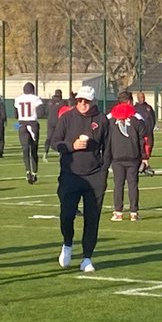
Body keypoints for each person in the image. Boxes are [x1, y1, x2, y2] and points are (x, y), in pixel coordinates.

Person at [49, 84, 108, 272]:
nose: (82, 103)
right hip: (70, 175)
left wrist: (103, 172)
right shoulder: (66, 118)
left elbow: (108, 148)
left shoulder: (101, 119)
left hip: (95, 176)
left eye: (86, 101)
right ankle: (67, 244)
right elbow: (54, 143)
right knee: (67, 215)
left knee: (92, 218)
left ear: (93, 101)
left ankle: (87, 258)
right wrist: (71, 146)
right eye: (80, 100)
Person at [103, 90, 150, 221]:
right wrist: (145, 157)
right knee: (133, 184)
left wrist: (107, 156)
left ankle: (118, 212)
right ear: (129, 101)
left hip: (116, 156)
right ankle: (134, 212)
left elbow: (106, 138)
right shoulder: (137, 117)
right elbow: (143, 139)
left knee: (118, 185)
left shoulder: (110, 117)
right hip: (133, 156)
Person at [14, 82, 43, 184]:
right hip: (33, 124)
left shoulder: (18, 99)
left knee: (25, 149)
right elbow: (40, 113)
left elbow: (16, 115)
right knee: (34, 150)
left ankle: (27, 171)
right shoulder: (36, 99)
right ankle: (34, 173)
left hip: (21, 125)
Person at [134, 91, 157, 161]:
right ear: (137, 98)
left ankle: (146, 159)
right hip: (139, 133)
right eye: (141, 97)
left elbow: (153, 119)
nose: (143, 99)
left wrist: (151, 128)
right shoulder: (134, 108)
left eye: (143, 97)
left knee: (149, 147)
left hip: (148, 132)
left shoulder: (148, 108)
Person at [44, 89, 65, 161]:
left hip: (50, 122)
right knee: (60, 137)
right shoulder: (62, 102)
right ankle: (60, 153)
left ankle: (45, 153)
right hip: (58, 121)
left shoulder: (50, 102)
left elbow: (46, 111)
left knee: (49, 138)